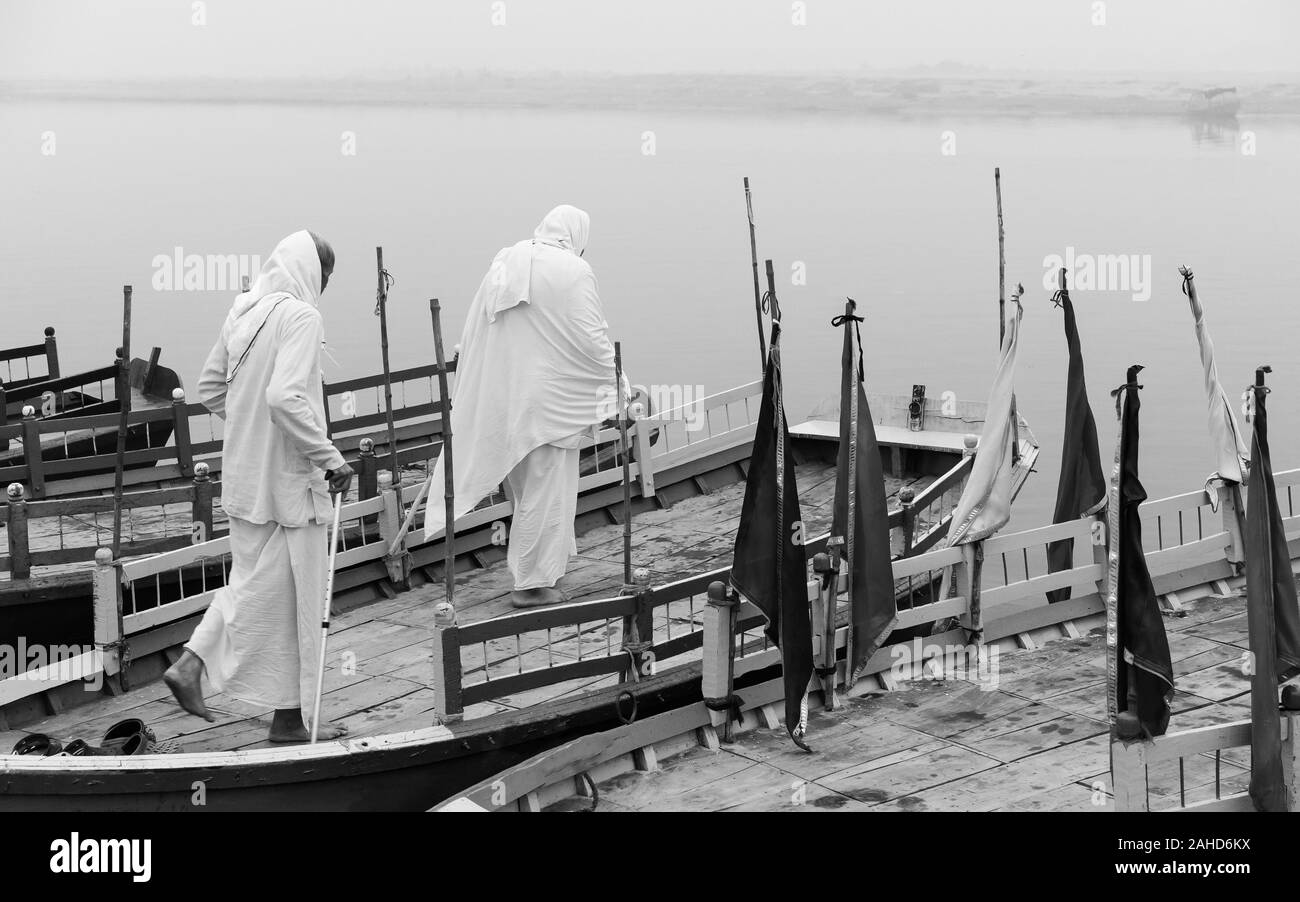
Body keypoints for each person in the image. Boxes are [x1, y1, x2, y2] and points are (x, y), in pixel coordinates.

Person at [163, 229, 353, 742]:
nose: (325, 286)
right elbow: (286, 399)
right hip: (290, 489)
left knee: (255, 589)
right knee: (300, 602)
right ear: (309, 270)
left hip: (244, 483)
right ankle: (194, 665)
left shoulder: (242, 312)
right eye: (325, 275)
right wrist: (331, 459)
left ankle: (286, 718)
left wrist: (250, 426)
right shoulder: (300, 317)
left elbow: (208, 388)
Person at [421, 205, 628, 608]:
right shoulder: (574, 271)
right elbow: (592, 339)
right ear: (576, 236)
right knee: (546, 493)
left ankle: (540, 569)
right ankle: (531, 585)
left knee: (524, 491)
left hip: (509, 400)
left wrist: (471, 384)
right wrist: (619, 386)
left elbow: (477, 329)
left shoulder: (507, 260)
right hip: (552, 405)